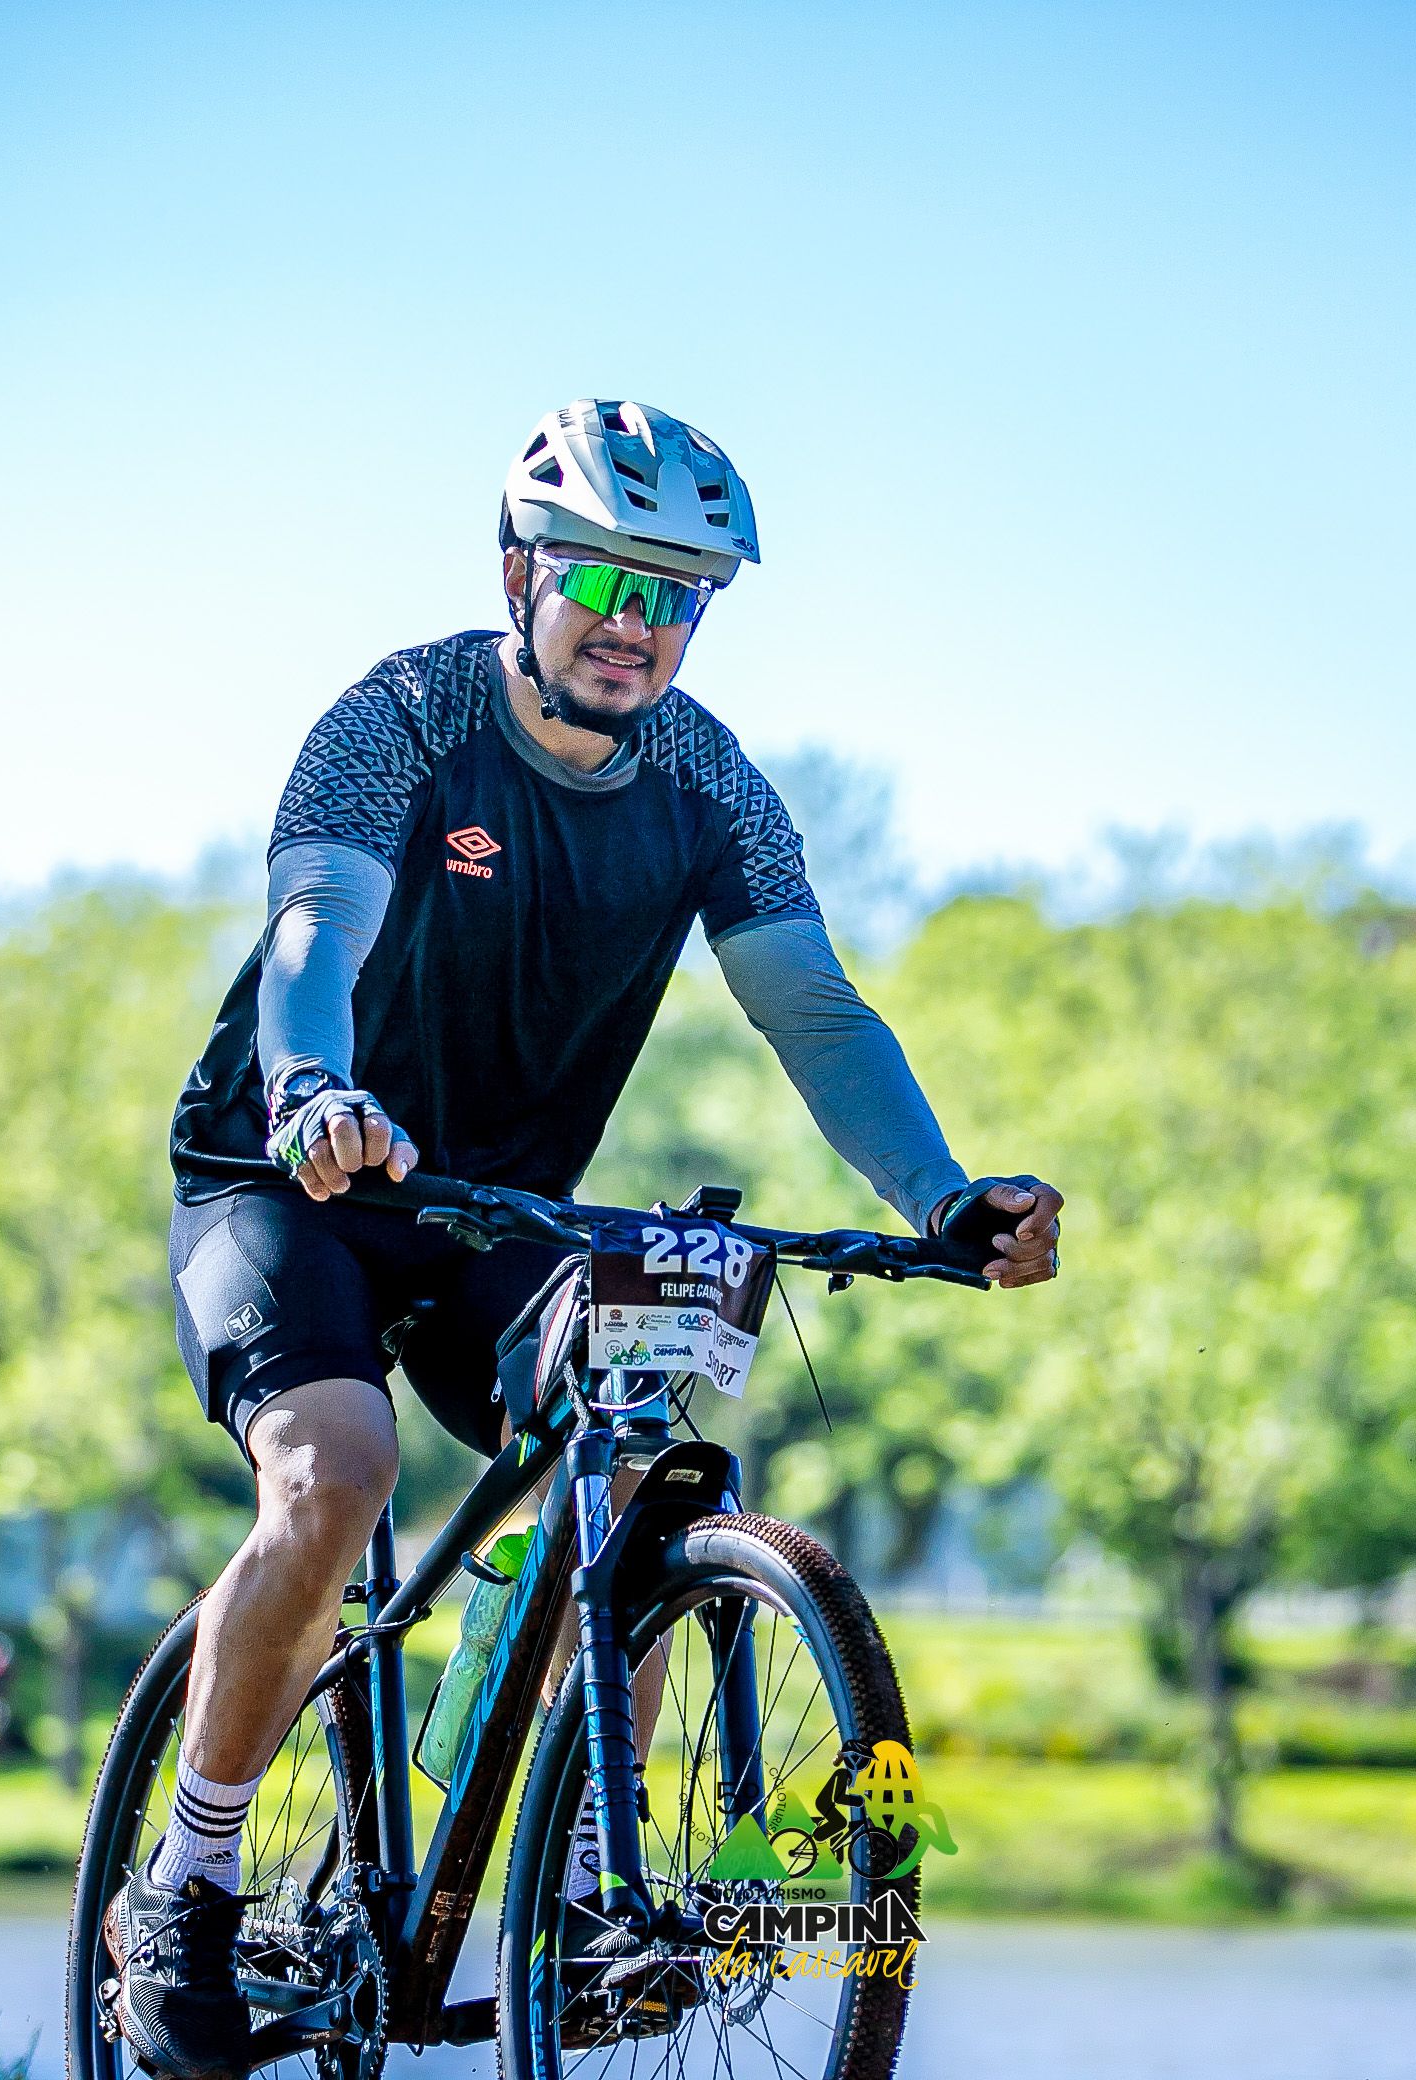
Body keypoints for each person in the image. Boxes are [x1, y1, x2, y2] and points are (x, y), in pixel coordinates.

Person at [102, 398, 1065, 2077]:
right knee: (337, 1471)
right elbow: (317, 930)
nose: (636, 625)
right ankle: (183, 1882)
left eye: (675, 596)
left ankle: (584, 1884)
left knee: (621, 1470)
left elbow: (816, 1013)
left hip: (501, 1207)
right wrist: (316, 1084)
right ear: (517, 576)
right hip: (289, 1173)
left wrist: (940, 1198)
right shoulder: (402, 719)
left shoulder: (710, 784)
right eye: (604, 582)